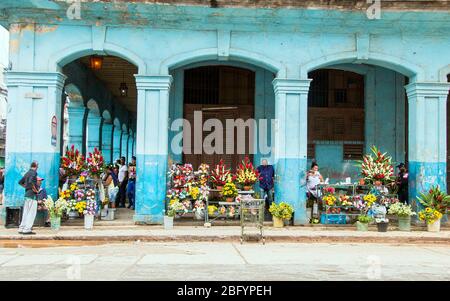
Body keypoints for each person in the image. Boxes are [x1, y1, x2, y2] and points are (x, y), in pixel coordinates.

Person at [18, 161, 39, 235]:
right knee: (32, 212)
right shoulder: (34, 173)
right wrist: (35, 190)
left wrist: (26, 188)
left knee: (26, 212)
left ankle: (22, 228)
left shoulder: (27, 173)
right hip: (32, 195)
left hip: (27, 195)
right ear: (36, 166)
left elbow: (20, 182)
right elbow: (31, 182)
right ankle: (27, 229)